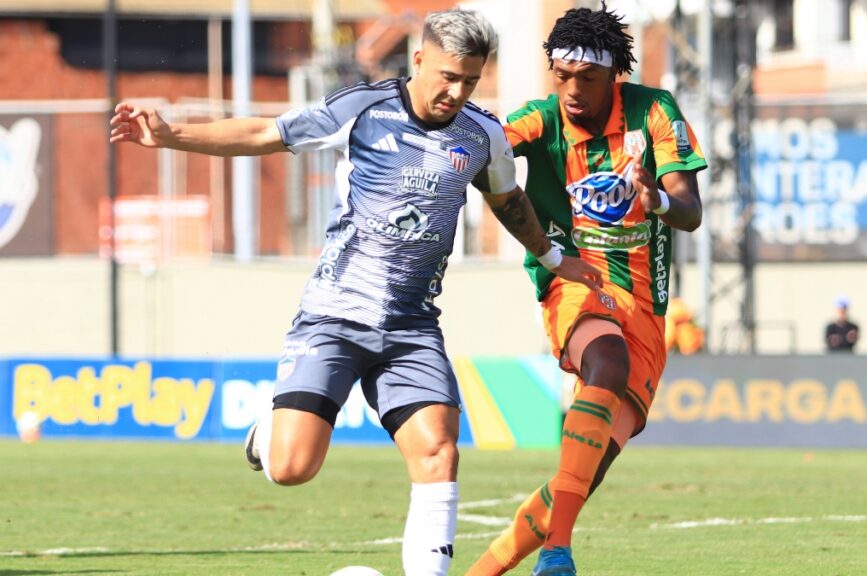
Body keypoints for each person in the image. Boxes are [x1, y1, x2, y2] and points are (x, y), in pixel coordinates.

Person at [109, 9, 602, 576]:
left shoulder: (482, 133)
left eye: (468, 80)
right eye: (446, 75)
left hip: (411, 326)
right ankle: (268, 433)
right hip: (334, 316)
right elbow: (264, 133)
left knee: (439, 450)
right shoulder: (363, 110)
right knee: (293, 467)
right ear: (418, 60)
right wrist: (172, 135)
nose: (455, 91)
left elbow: (507, 201)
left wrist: (552, 257)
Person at [466, 4, 706, 575]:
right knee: (606, 359)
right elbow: (489, 142)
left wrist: (660, 202)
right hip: (575, 283)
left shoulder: (654, 112)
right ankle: (558, 553)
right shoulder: (542, 119)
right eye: (562, 76)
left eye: (587, 78)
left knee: (579, 477)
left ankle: (482, 572)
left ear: (613, 75)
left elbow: (690, 211)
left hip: (646, 309)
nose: (572, 90)